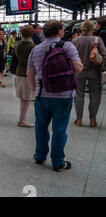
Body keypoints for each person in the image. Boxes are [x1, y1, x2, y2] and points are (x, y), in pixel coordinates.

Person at [27, 20, 83, 171]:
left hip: (42, 95)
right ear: (59, 31)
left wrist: (35, 91)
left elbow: (29, 74)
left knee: (41, 126)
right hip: (63, 96)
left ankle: (40, 156)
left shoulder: (36, 49)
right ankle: (58, 162)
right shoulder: (68, 46)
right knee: (59, 129)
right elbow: (78, 67)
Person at [72, 20, 106, 128]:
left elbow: (70, 56)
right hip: (95, 72)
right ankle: (92, 119)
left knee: (78, 94)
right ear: (92, 29)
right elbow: (104, 55)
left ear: (81, 29)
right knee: (95, 95)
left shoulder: (75, 40)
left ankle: (79, 119)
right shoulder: (97, 40)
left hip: (78, 71)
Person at [14, 25, 35, 127]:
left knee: (24, 98)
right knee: (26, 99)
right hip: (27, 74)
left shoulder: (18, 45)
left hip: (19, 72)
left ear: (21, 34)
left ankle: (22, 119)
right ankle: (22, 120)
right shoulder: (32, 47)